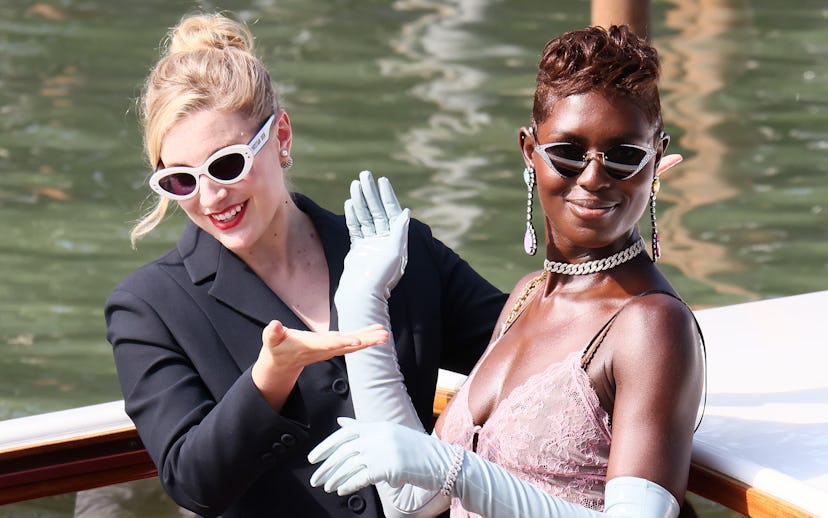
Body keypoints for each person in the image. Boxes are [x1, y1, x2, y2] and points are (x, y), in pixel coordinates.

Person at [104, 12, 508, 518]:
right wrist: (271, 375)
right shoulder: (147, 308)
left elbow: (521, 351)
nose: (209, 196)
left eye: (227, 164)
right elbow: (194, 482)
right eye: (180, 180)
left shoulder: (400, 249)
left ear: (281, 136)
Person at [308, 25, 705, 518]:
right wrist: (361, 303)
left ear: (658, 157)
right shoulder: (527, 295)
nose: (594, 176)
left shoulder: (652, 325)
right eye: (568, 152)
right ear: (529, 150)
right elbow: (413, 498)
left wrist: (454, 470)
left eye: (624, 157)